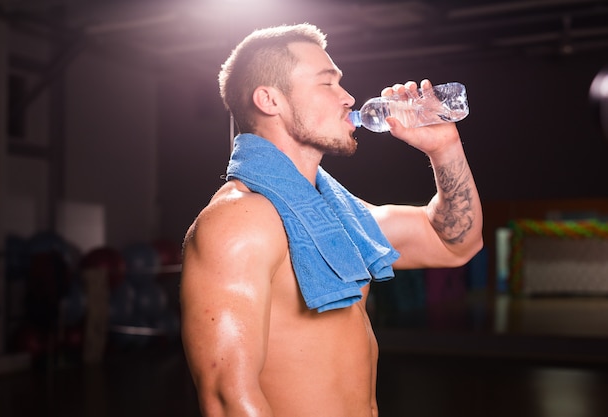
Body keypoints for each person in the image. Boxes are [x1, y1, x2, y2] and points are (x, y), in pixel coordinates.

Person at [180, 23, 483, 417]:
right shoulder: (240, 221)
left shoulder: (342, 218)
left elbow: (456, 244)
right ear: (270, 99)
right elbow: (227, 399)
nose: (348, 97)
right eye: (328, 84)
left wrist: (445, 148)